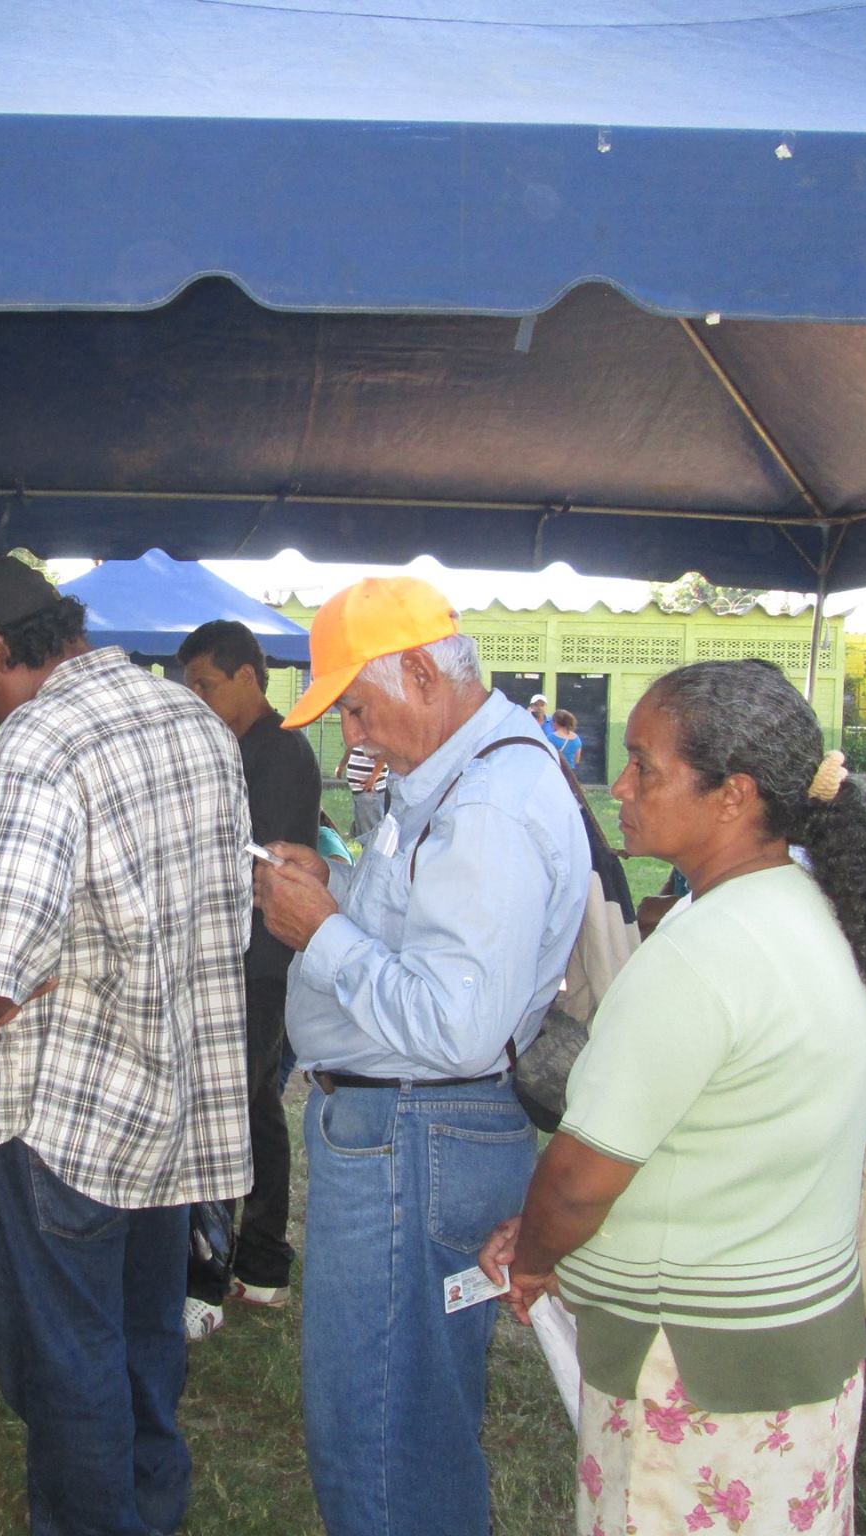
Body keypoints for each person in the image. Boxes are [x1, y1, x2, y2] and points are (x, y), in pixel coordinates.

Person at [477, 659, 866, 1536]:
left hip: (695, 1376)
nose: (620, 784)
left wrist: (535, 1256)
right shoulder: (817, 909)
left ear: (733, 795)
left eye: (645, 766)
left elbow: (578, 1179)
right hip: (799, 1350)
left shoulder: (701, 954)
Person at [0, 551, 251, 1536]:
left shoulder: (37, 743)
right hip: (162, 1099)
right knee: (143, 1341)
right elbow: (224, 913)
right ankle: (150, 1511)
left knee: (65, 1368)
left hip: (54, 1116)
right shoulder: (191, 717)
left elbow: (0, 949)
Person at [254, 576, 590, 1536]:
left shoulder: (485, 803)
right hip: (411, 1128)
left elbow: (456, 1024)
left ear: (419, 672)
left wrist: (321, 929)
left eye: (358, 706)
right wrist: (346, 888)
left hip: (414, 1129)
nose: (353, 736)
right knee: (406, 1418)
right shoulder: (457, 776)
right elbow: (426, 928)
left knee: (381, 1431)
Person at [177, 619, 324, 1338]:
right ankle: (262, 1264)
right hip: (237, 958)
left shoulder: (281, 753)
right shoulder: (237, 747)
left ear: (247, 678)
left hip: (255, 963)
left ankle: (202, 1280)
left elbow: (253, 865)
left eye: (205, 684)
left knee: (222, 1111)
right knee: (255, 1106)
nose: (197, 698)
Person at [343, 743, 389, 839]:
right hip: (360, 791)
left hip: (370, 791)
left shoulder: (375, 735)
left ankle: (372, 853)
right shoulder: (361, 736)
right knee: (363, 832)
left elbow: (383, 756)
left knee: (372, 833)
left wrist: (373, 779)